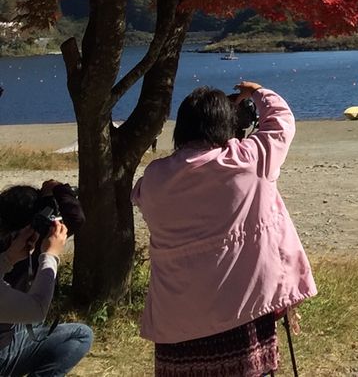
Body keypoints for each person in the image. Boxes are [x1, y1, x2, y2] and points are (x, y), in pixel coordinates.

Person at [133, 81, 316, 377]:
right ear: (226, 126)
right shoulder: (246, 160)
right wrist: (257, 92)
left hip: (176, 321)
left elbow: (139, 195)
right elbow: (281, 122)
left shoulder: (155, 176)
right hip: (240, 312)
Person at [0, 181, 92, 375]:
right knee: (81, 335)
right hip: (3, 349)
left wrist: (8, 258)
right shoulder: (33, 245)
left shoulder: (11, 245)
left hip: (8, 320)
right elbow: (38, 309)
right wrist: (50, 255)